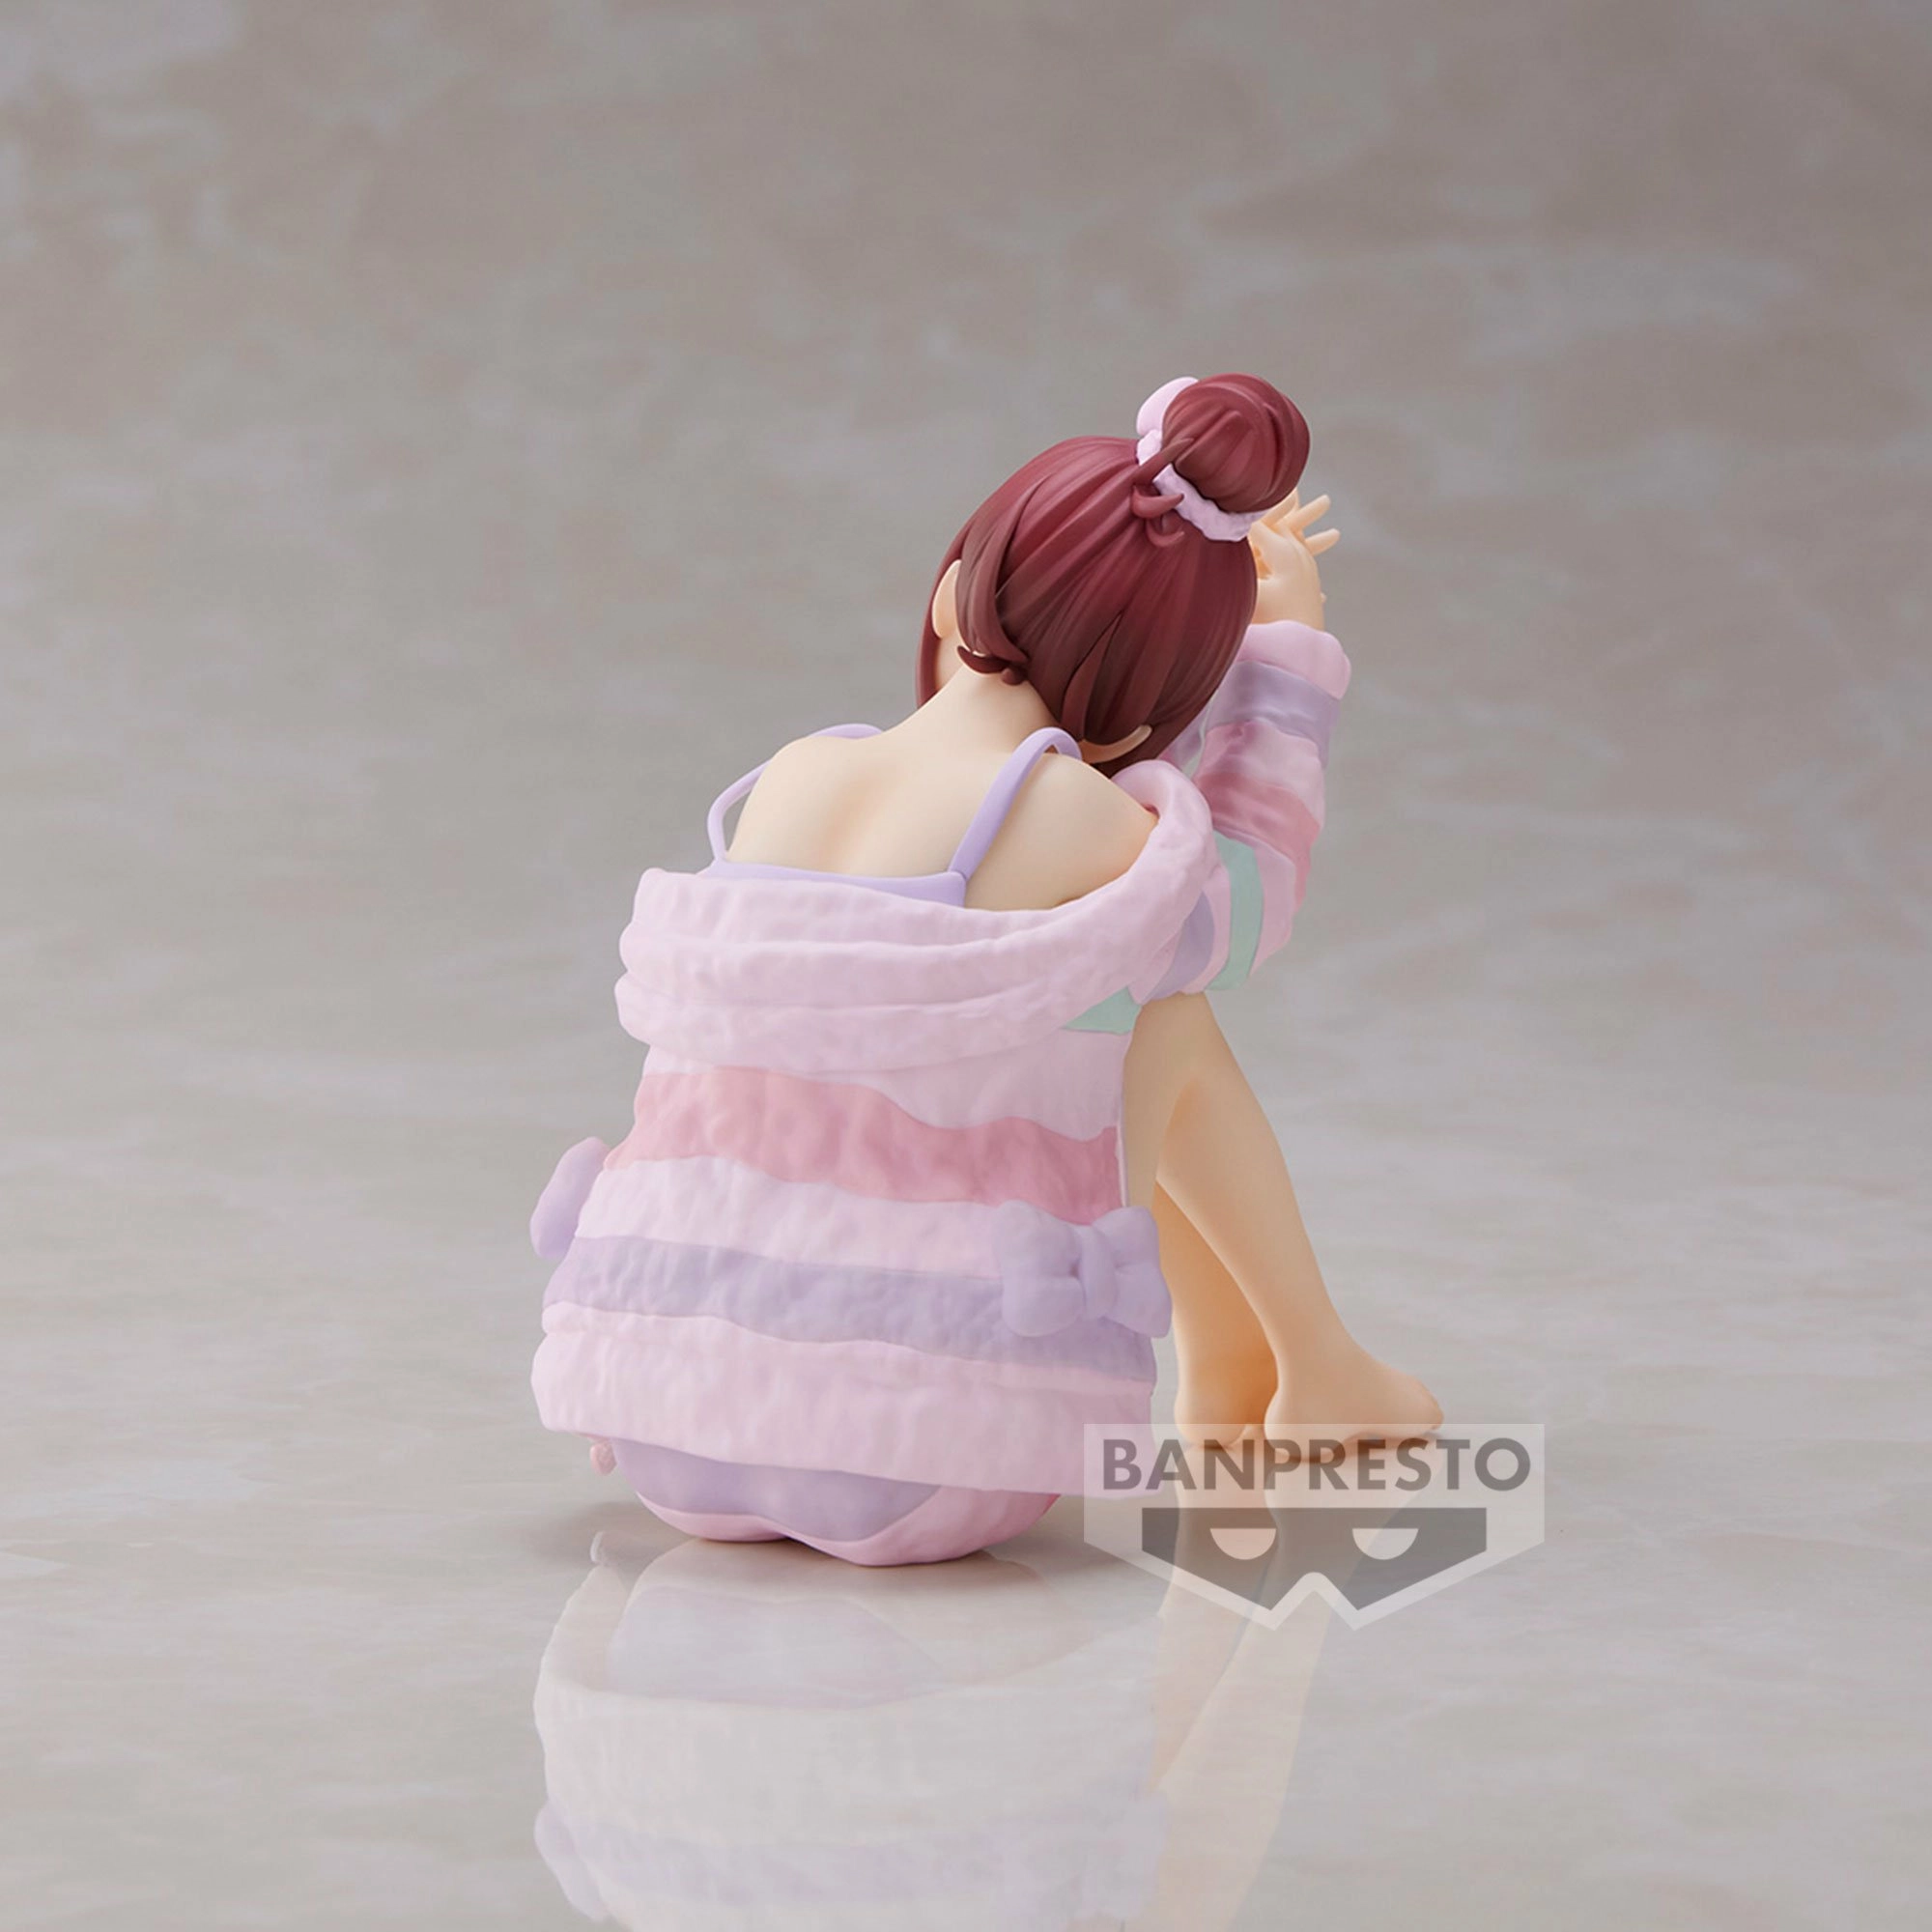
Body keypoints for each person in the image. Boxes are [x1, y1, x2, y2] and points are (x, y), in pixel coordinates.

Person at [530, 373, 1439, 1565]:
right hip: (922, 1457)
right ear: (1154, 701)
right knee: (1165, 1013)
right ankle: (1311, 1362)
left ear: (953, 584)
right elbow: (1244, 902)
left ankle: (1240, 1366)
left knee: (1110, 1007)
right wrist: (1280, 657)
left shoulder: (796, 773)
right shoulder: (1066, 815)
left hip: (672, 1423)